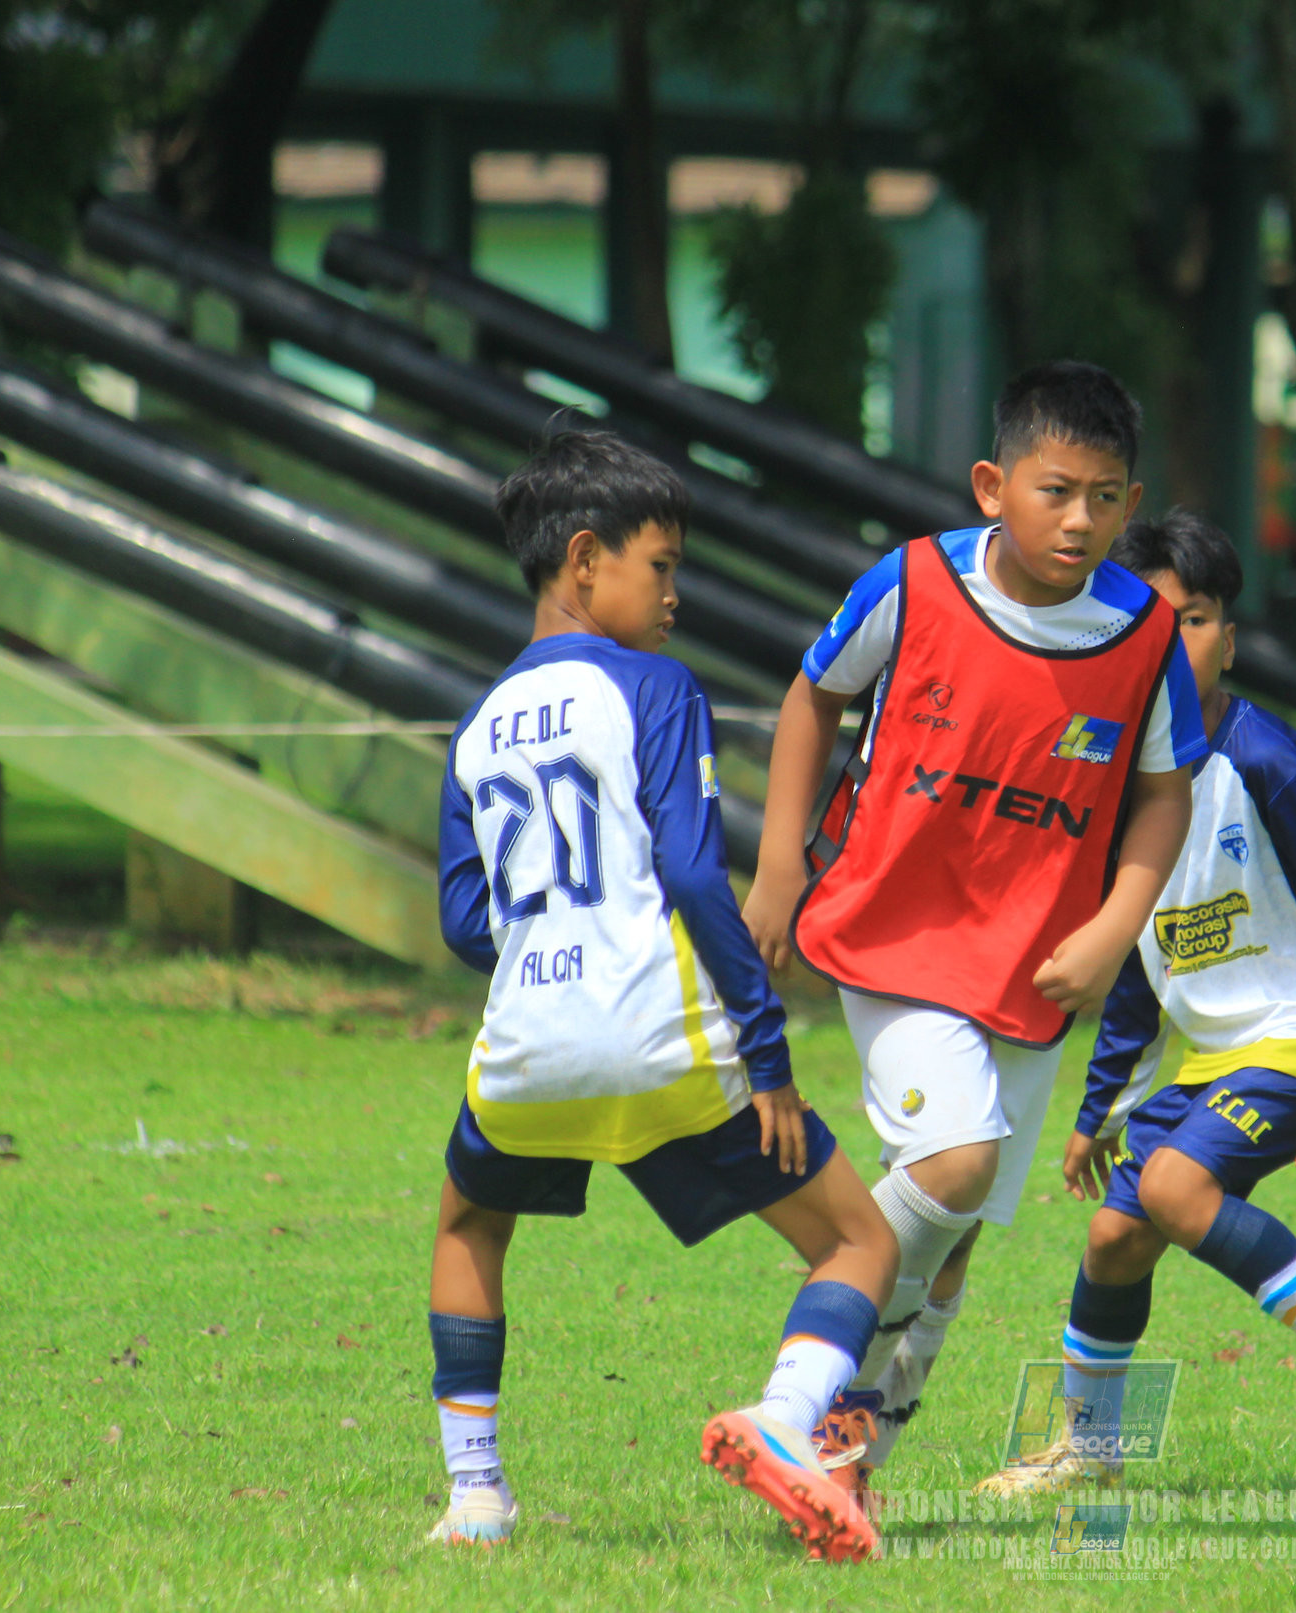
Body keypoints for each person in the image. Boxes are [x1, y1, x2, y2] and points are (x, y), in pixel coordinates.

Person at [740, 362, 1206, 1504]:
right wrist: (776, 862)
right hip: (892, 931)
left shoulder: (1143, 633)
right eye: (1057, 490)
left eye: (1105, 496)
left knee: (954, 1241)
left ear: (1130, 504)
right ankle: (788, 1406)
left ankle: (849, 1468)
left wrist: (1110, 929)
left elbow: (1163, 795)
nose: (1081, 518)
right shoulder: (911, 582)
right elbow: (813, 697)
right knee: (955, 1164)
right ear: (994, 485)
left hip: (1034, 962)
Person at [427, 431, 895, 1562]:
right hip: (665, 1045)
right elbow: (691, 872)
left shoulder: (478, 722)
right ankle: (785, 1420)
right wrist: (769, 1054)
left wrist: (557, 961)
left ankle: (477, 1496)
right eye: (662, 564)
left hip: (528, 1053)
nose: (675, 593)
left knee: (466, 1223)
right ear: (583, 560)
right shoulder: (655, 686)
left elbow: (460, 920)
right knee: (859, 1242)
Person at [974, 508, 1296, 1499]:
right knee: (1114, 1234)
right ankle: (1089, 1447)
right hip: (1222, 1037)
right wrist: (1097, 1106)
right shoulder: (1106, 776)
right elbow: (1134, 962)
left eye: (1194, 620)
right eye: (1148, 621)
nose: (1172, 642)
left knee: (1173, 1189)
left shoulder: (1269, 764)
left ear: (1227, 639)